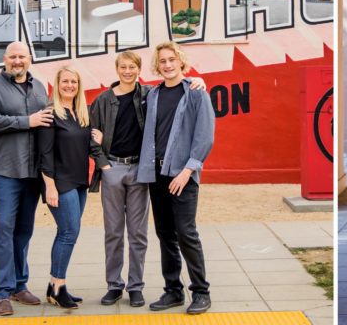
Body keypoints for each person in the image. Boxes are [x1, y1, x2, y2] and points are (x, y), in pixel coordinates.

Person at [89, 51, 207, 309]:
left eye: (133, 67)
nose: (128, 71)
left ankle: (191, 291)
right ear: (117, 69)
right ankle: (135, 287)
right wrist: (103, 164)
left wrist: (199, 81)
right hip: (134, 172)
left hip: (159, 173)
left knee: (172, 233)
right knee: (150, 233)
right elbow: (91, 132)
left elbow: (203, 135)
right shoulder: (124, 98)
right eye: (123, 67)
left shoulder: (169, 93)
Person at [0, 41, 53, 317]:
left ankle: (20, 285)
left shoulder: (40, 87)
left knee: (23, 231)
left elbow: (46, 122)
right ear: (5, 59)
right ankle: (2, 292)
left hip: (32, 173)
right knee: (3, 229)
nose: (17, 61)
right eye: (13, 57)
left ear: (29, 59)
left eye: (22, 57)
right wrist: (25, 121)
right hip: (4, 171)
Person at [138, 41, 216, 315]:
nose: (168, 65)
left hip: (182, 175)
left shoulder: (196, 93)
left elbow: (204, 137)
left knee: (186, 233)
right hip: (156, 174)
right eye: (163, 61)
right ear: (157, 66)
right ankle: (173, 291)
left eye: (172, 60)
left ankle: (201, 292)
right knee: (165, 234)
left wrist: (187, 171)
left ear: (181, 62)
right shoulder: (153, 95)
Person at [38, 64, 110, 310]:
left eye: (74, 82)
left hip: (79, 181)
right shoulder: (50, 114)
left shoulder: (81, 113)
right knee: (69, 233)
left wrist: (97, 139)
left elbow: (88, 145)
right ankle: (59, 288)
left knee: (67, 232)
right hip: (59, 183)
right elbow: (44, 154)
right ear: (57, 85)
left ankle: (54, 286)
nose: (69, 85)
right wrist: (49, 187)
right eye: (65, 81)